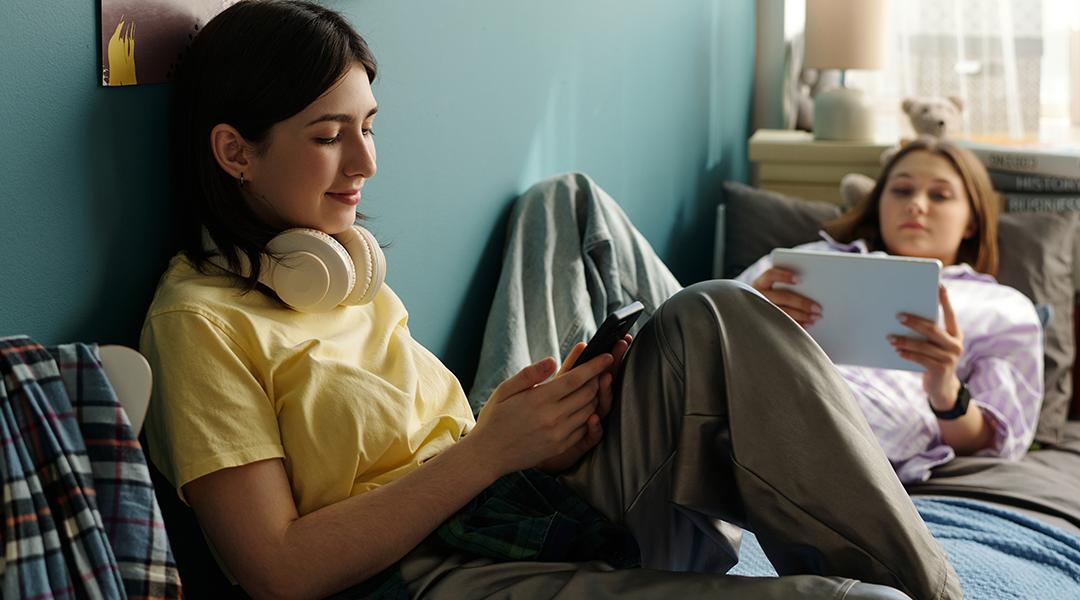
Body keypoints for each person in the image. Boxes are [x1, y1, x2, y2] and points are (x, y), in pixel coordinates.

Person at [141, 1, 961, 598]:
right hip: (425, 576)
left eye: (369, 126)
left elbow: (442, 449)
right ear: (234, 152)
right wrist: (490, 452)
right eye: (328, 137)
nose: (365, 162)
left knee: (716, 313)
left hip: (506, 505)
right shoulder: (198, 324)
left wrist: (541, 429)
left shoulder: (337, 272)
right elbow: (276, 570)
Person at [737, 138, 1043, 484]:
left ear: (971, 221)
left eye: (939, 196)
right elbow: (702, 327)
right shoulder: (800, 261)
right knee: (678, 306)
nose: (916, 205)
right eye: (901, 190)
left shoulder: (1002, 308)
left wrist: (946, 390)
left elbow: (993, 446)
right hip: (745, 382)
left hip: (855, 422)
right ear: (878, 203)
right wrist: (746, 310)